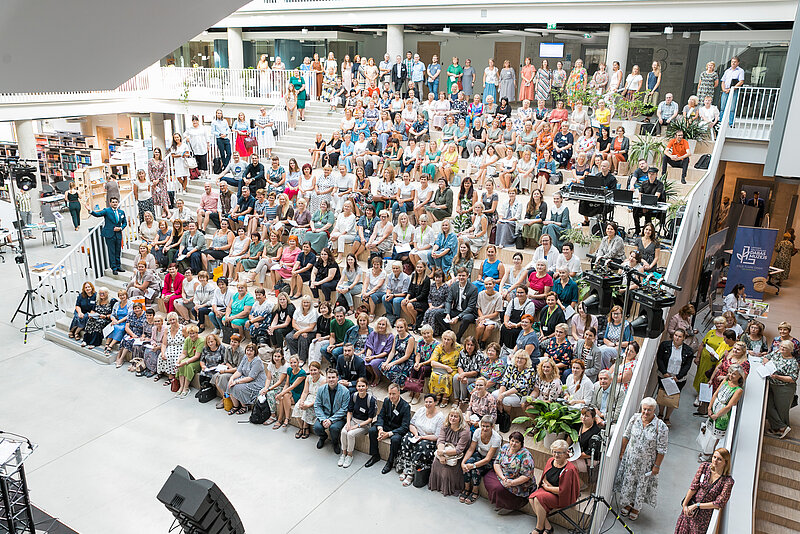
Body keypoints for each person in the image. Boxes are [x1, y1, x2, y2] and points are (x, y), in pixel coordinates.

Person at [614, 397, 669, 520]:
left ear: (654, 410)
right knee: (629, 482)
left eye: (649, 410)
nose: (646, 412)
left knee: (641, 485)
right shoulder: (635, 418)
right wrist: (623, 451)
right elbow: (626, 435)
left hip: (646, 463)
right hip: (631, 459)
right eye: (644, 409)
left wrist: (657, 466)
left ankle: (636, 507)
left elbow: (662, 449)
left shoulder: (661, 427)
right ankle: (628, 503)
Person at [675, 448, 735, 534]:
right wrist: (685, 505)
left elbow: (719, 503)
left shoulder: (728, 481)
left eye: (719, 459)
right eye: (714, 457)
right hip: (690, 508)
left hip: (703, 516)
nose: (715, 461)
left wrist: (697, 505)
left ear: (725, 462)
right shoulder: (704, 467)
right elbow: (693, 487)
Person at [529, 439, 581, 533]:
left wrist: (547, 488)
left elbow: (563, 491)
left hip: (561, 497)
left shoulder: (569, 469)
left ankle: (539, 528)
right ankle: (548, 526)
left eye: (560, 453)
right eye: (554, 452)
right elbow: (544, 478)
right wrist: (548, 487)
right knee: (531, 498)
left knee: (537, 499)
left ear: (566, 453)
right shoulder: (550, 461)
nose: (556, 455)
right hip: (549, 489)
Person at [484, 431, 535, 514]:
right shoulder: (505, 447)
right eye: (512, 441)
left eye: (517, 442)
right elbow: (496, 463)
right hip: (504, 475)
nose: (513, 444)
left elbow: (527, 476)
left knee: (498, 488)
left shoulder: (526, 456)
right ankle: (501, 503)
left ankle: (509, 506)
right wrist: (503, 478)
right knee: (488, 478)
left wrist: (512, 483)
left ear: (521, 443)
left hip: (518, 481)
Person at [365, 383, 411, 473]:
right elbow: (381, 416)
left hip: (396, 429)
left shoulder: (405, 406)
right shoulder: (386, 401)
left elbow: (404, 427)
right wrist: (380, 429)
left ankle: (390, 462)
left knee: (395, 440)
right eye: (389, 393)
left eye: (393, 394)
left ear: (399, 392)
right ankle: (375, 455)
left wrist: (389, 434)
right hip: (386, 426)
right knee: (372, 431)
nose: (391, 396)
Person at [702, 366, 745, 461]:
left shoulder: (738, 390)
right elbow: (715, 394)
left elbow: (729, 406)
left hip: (722, 415)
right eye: (730, 372)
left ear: (739, 376)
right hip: (713, 409)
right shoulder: (725, 381)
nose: (731, 375)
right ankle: (705, 451)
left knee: (714, 437)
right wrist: (709, 408)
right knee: (708, 432)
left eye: (734, 374)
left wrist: (717, 415)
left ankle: (710, 455)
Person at [656, 328, 695, 424]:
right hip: (664, 376)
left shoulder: (688, 350)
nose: (677, 338)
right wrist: (664, 372)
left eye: (679, 336)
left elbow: (687, 365)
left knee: (673, 397)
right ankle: (660, 414)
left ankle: (667, 417)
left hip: (678, 379)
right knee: (662, 394)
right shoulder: (665, 345)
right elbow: (659, 359)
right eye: (675, 335)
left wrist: (678, 377)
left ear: (684, 338)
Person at [763, 340, 799, 438]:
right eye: (781, 346)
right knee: (768, 406)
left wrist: (777, 377)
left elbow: (792, 378)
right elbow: (766, 357)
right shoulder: (777, 353)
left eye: (784, 348)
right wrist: (766, 365)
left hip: (785, 388)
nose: (781, 349)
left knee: (781, 410)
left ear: (790, 350)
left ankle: (780, 429)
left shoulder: (793, 363)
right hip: (772, 384)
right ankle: (781, 427)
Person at [85, 197, 127, 274]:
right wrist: (90, 210)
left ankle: (118, 266)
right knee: (112, 251)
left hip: (118, 234)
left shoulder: (121, 212)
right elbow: (97, 214)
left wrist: (120, 228)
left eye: (116, 202)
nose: (115, 203)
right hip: (109, 235)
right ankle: (113, 268)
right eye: (113, 202)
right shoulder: (107, 211)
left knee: (118, 251)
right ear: (110, 203)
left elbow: (125, 223)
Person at [313, 368, 350, 454]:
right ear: (326, 378)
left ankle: (335, 442)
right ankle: (323, 437)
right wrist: (323, 419)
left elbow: (344, 409)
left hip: (338, 417)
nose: (331, 379)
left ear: (338, 378)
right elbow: (317, 405)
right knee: (317, 427)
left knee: (334, 428)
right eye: (329, 377)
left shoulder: (345, 391)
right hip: (325, 415)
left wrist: (331, 420)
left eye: (333, 377)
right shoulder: (321, 389)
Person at [227, 343, 267, 415]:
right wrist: (232, 378)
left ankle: (244, 406)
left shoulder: (257, 361)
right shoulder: (245, 357)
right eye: (247, 350)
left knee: (238, 387)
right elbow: (239, 371)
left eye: (251, 351)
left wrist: (237, 382)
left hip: (256, 382)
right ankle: (235, 406)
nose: (249, 352)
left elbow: (251, 377)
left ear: (255, 352)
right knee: (230, 384)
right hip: (245, 378)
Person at [440, 268, 478, 341]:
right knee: (438, 313)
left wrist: (458, 317)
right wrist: (447, 313)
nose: (461, 277)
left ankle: (458, 337)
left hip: (469, 313)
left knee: (466, 318)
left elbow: (471, 307)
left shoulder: (473, 288)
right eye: (459, 275)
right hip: (456, 310)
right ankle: (451, 334)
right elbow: (448, 301)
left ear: (467, 276)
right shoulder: (454, 286)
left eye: (463, 276)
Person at [720, 56, 745, 127]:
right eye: (732, 62)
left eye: (735, 62)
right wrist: (724, 89)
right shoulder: (727, 71)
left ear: (738, 63)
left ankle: (731, 123)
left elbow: (741, 81)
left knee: (732, 108)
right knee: (722, 107)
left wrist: (732, 89)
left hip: (734, 91)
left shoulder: (740, 71)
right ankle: (721, 122)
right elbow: (723, 81)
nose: (733, 63)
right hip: (725, 91)